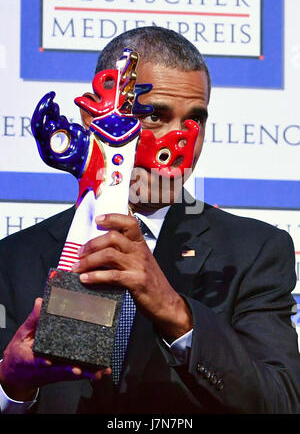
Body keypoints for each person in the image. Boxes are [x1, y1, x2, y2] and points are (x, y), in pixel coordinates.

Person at [0, 26, 300, 415]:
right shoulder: (13, 258)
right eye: (155, 115)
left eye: (195, 120)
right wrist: (11, 386)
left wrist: (175, 311)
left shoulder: (254, 254)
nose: (180, 142)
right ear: (96, 116)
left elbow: (280, 403)